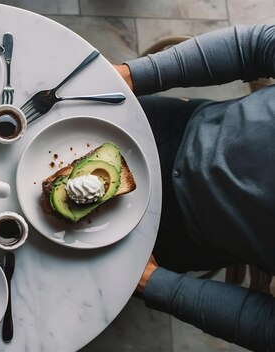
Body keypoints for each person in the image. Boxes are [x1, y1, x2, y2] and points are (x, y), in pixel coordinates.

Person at [113, 25, 275, 350]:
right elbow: (255, 46)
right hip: (177, 127)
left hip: (182, 233)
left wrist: (157, 285)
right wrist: (130, 75)